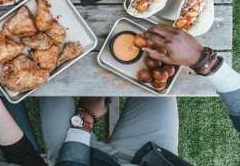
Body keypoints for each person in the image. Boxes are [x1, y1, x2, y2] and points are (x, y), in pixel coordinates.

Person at [40, 24, 240, 166]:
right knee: (156, 80)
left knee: (46, 81)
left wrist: (84, 122)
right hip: (151, 156)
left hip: (76, 158)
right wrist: (203, 61)